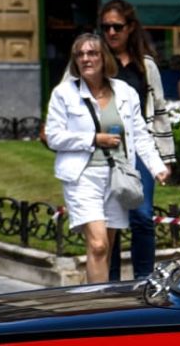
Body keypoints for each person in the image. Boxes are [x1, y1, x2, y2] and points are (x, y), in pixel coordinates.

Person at [45, 32, 170, 285]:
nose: (86, 59)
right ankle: (95, 306)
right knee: (99, 244)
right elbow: (53, 137)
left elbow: (140, 135)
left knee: (107, 247)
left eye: (92, 53)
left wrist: (157, 166)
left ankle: (99, 298)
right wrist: (93, 139)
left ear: (103, 58)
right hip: (82, 176)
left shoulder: (125, 92)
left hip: (117, 175)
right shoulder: (64, 93)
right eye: (80, 54)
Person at [98, 0, 173, 282]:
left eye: (117, 26)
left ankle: (144, 280)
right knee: (110, 219)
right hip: (107, 147)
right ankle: (112, 283)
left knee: (142, 215)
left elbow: (159, 109)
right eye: (105, 27)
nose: (111, 33)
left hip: (140, 147)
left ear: (130, 28)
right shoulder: (97, 62)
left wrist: (165, 156)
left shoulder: (146, 65)